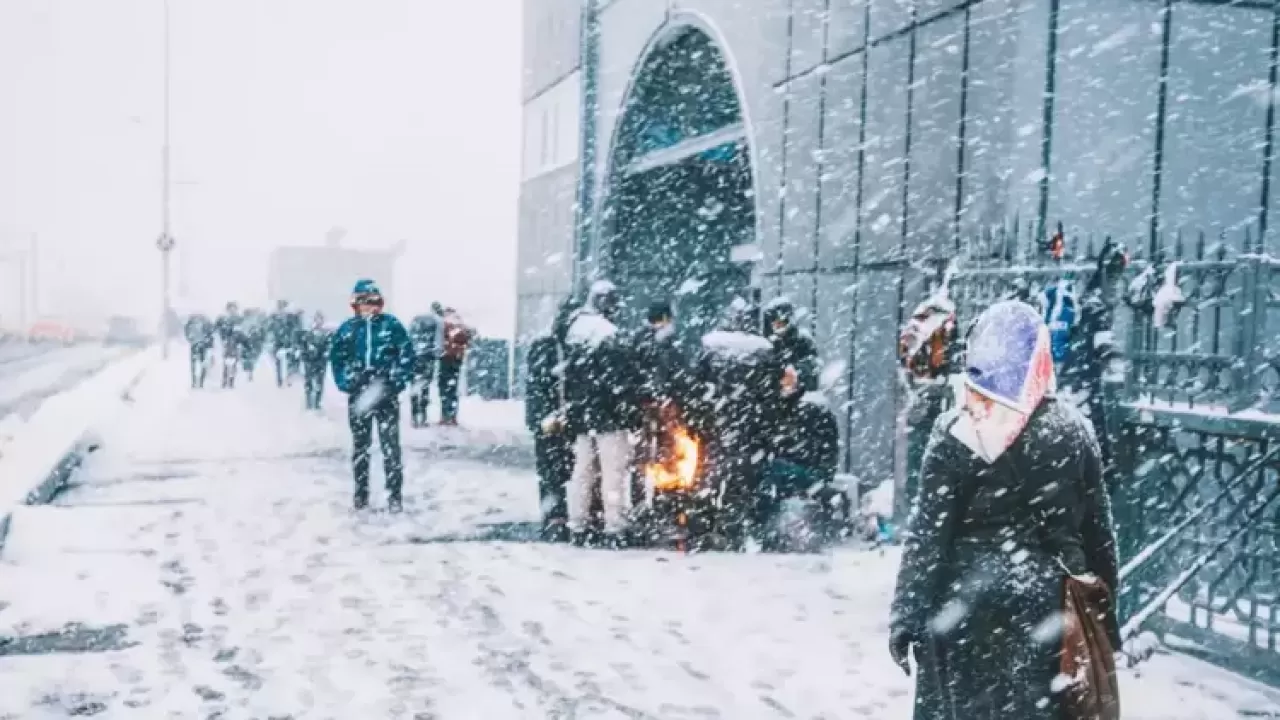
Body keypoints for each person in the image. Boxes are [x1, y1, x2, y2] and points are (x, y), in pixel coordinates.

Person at [889, 300, 1119, 719]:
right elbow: (1098, 533)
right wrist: (1105, 615)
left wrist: (908, 614)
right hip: (1046, 604)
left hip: (961, 603)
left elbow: (929, 532)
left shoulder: (956, 429)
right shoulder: (1074, 430)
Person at [691, 297, 783, 549]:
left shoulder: (711, 345)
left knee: (709, 476)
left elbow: (697, 384)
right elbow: (773, 393)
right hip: (751, 426)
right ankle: (739, 528)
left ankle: (704, 527)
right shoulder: (763, 349)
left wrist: (700, 419)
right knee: (745, 480)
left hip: (717, 424)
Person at [563, 280, 641, 547]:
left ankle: (577, 525)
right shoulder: (609, 333)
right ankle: (614, 527)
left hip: (582, 414)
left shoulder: (574, 329)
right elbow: (621, 380)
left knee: (581, 471)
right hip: (608, 415)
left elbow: (569, 376)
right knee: (613, 473)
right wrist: (630, 413)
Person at [329, 279, 415, 512]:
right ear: (355, 304)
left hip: (385, 393)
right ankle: (361, 494)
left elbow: (406, 354)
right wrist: (347, 382)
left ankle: (394, 496)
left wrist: (395, 381)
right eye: (363, 302)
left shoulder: (392, 325)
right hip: (359, 395)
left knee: (391, 447)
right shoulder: (348, 329)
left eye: (373, 302)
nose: (369, 307)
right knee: (360, 447)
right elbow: (337, 358)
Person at [760, 368, 842, 549]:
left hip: (804, 474)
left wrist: (821, 478)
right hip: (803, 475)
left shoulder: (809, 412)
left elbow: (827, 452)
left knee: (770, 472)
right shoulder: (778, 412)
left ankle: (769, 532)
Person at [525, 298, 579, 542]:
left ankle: (555, 515)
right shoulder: (564, 348)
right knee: (560, 466)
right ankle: (557, 514)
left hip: (550, 416)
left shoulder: (545, 347)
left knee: (553, 468)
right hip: (556, 417)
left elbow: (536, 385)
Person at [763, 296, 820, 393]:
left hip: (795, 397)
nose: (776, 328)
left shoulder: (803, 342)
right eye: (772, 324)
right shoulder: (764, 345)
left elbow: (810, 375)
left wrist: (789, 372)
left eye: (780, 323)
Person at [408, 305, 445, 427]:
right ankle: (423, 417)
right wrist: (437, 354)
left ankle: (414, 417)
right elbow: (439, 342)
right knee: (424, 387)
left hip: (414, 356)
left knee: (414, 386)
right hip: (427, 357)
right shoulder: (437, 321)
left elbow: (409, 337)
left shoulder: (416, 319)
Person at [437, 307, 474, 426]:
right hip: (456, 359)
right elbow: (468, 339)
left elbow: (440, 341)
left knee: (444, 389)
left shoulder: (445, 325)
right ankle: (451, 416)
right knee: (452, 388)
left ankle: (446, 416)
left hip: (446, 359)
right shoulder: (460, 325)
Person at [300, 311, 330, 410]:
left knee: (319, 384)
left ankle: (317, 404)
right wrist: (305, 356)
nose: (318, 322)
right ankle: (308, 403)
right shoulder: (308, 334)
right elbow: (303, 347)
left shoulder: (326, 334)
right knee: (309, 383)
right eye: (317, 319)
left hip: (320, 363)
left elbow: (329, 347)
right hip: (309, 362)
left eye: (320, 319)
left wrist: (326, 354)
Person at [269, 300, 298, 388]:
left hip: (288, 341)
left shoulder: (290, 317)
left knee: (290, 360)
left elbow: (295, 327)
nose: (281, 309)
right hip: (278, 342)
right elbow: (270, 328)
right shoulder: (274, 317)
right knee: (278, 362)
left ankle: (288, 377)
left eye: (283, 307)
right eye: (280, 307)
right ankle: (280, 380)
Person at [215, 302, 244, 389]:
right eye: (230, 308)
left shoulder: (239, 319)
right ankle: (224, 380)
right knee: (226, 362)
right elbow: (217, 328)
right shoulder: (223, 319)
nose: (232, 310)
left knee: (234, 362)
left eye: (233, 308)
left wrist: (240, 342)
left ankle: (231, 381)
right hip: (226, 343)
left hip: (235, 343)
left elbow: (241, 332)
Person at [183, 313, 215, 389]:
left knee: (200, 364)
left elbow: (210, 334)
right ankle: (196, 382)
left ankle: (199, 382)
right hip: (197, 345)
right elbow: (187, 334)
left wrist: (208, 342)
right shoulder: (190, 324)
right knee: (197, 364)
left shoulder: (204, 323)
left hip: (201, 345)